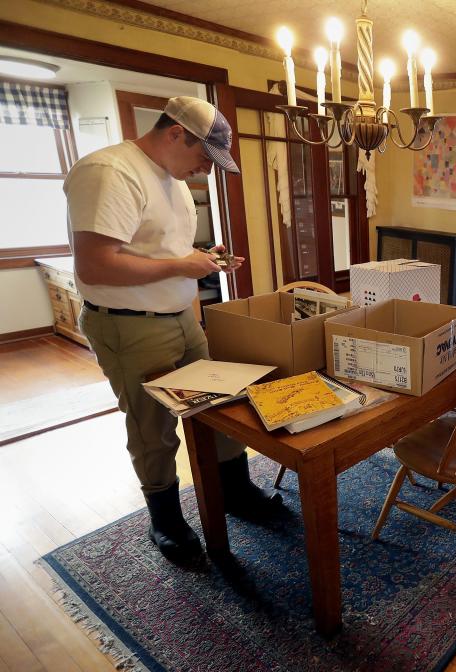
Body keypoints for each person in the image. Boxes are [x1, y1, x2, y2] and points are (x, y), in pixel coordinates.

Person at [65, 96, 283, 562]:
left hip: (182, 316)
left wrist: (202, 257)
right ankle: (165, 521)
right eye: (204, 157)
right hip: (131, 326)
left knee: (223, 402)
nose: (205, 169)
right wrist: (182, 264)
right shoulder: (110, 172)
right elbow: (97, 265)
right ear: (175, 133)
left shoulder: (171, 179)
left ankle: (236, 492)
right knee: (153, 427)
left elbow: (160, 249)